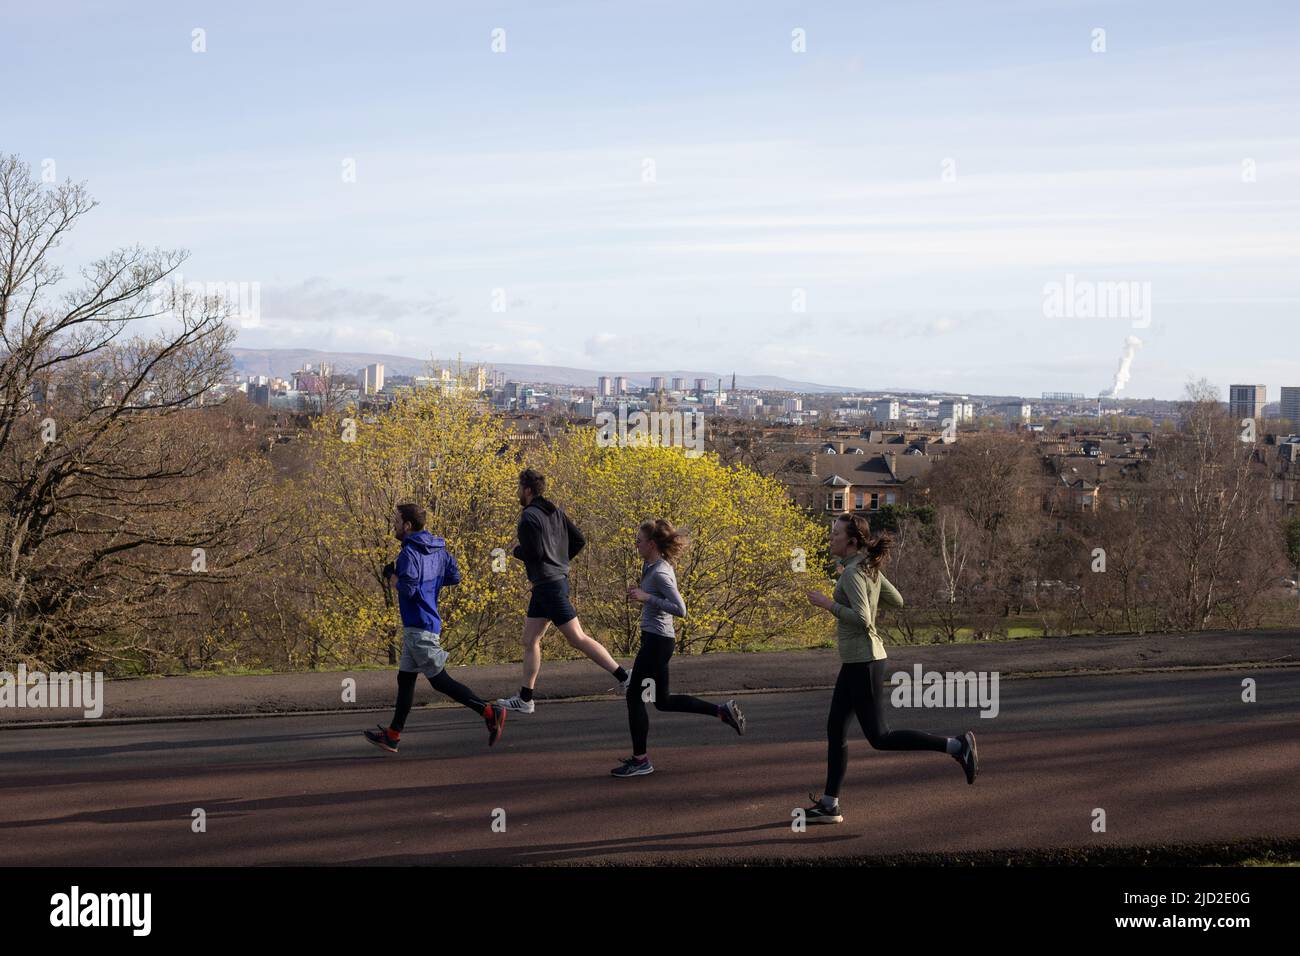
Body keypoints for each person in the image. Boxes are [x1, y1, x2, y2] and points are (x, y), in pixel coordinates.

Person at [800, 513, 977, 823]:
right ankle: (829, 804)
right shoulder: (865, 568)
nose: (831, 538)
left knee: (879, 737)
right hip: (859, 660)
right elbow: (898, 600)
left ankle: (957, 746)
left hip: (864, 662)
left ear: (851, 541)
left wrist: (829, 605)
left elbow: (864, 619)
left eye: (836, 534)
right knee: (835, 729)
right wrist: (874, 583)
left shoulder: (853, 574)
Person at [363, 503, 506, 752]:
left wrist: (391, 575)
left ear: (407, 526)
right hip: (423, 624)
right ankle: (393, 735)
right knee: (405, 679)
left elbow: (407, 589)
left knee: (440, 681)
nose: (394, 525)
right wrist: (433, 582)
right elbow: (455, 576)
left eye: (397, 521)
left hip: (419, 625)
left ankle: (488, 711)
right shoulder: (438, 548)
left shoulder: (408, 553)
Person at [611, 519, 746, 778]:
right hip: (656, 639)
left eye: (639, 541)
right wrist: (641, 594)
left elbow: (680, 609)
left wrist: (647, 597)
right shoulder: (650, 565)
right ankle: (721, 711)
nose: (635, 544)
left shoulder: (660, 571)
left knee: (634, 696)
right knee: (662, 701)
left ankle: (641, 760)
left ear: (651, 544)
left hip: (658, 642)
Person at [496, 468, 630, 714]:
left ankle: (624, 677)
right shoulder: (554, 511)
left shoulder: (528, 517)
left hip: (548, 586)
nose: (516, 492)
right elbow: (578, 540)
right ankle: (525, 698)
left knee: (576, 638)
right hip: (550, 584)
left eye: (518, 487)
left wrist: (516, 552)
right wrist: (560, 562)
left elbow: (534, 553)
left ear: (527, 490)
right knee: (530, 639)